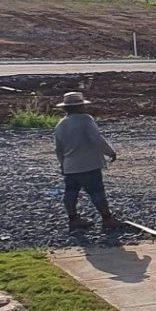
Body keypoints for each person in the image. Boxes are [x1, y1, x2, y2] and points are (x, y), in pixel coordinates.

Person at [51, 92, 120, 230]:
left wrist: (62, 164)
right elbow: (96, 139)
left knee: (71, 193)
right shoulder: (86, 120)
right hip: (88, 164)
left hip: (70, 165)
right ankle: (107, 218)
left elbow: (58, 149)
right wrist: (110, 152)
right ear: (80, 106)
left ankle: (73, 219)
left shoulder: (60, 125)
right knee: (96, 192)